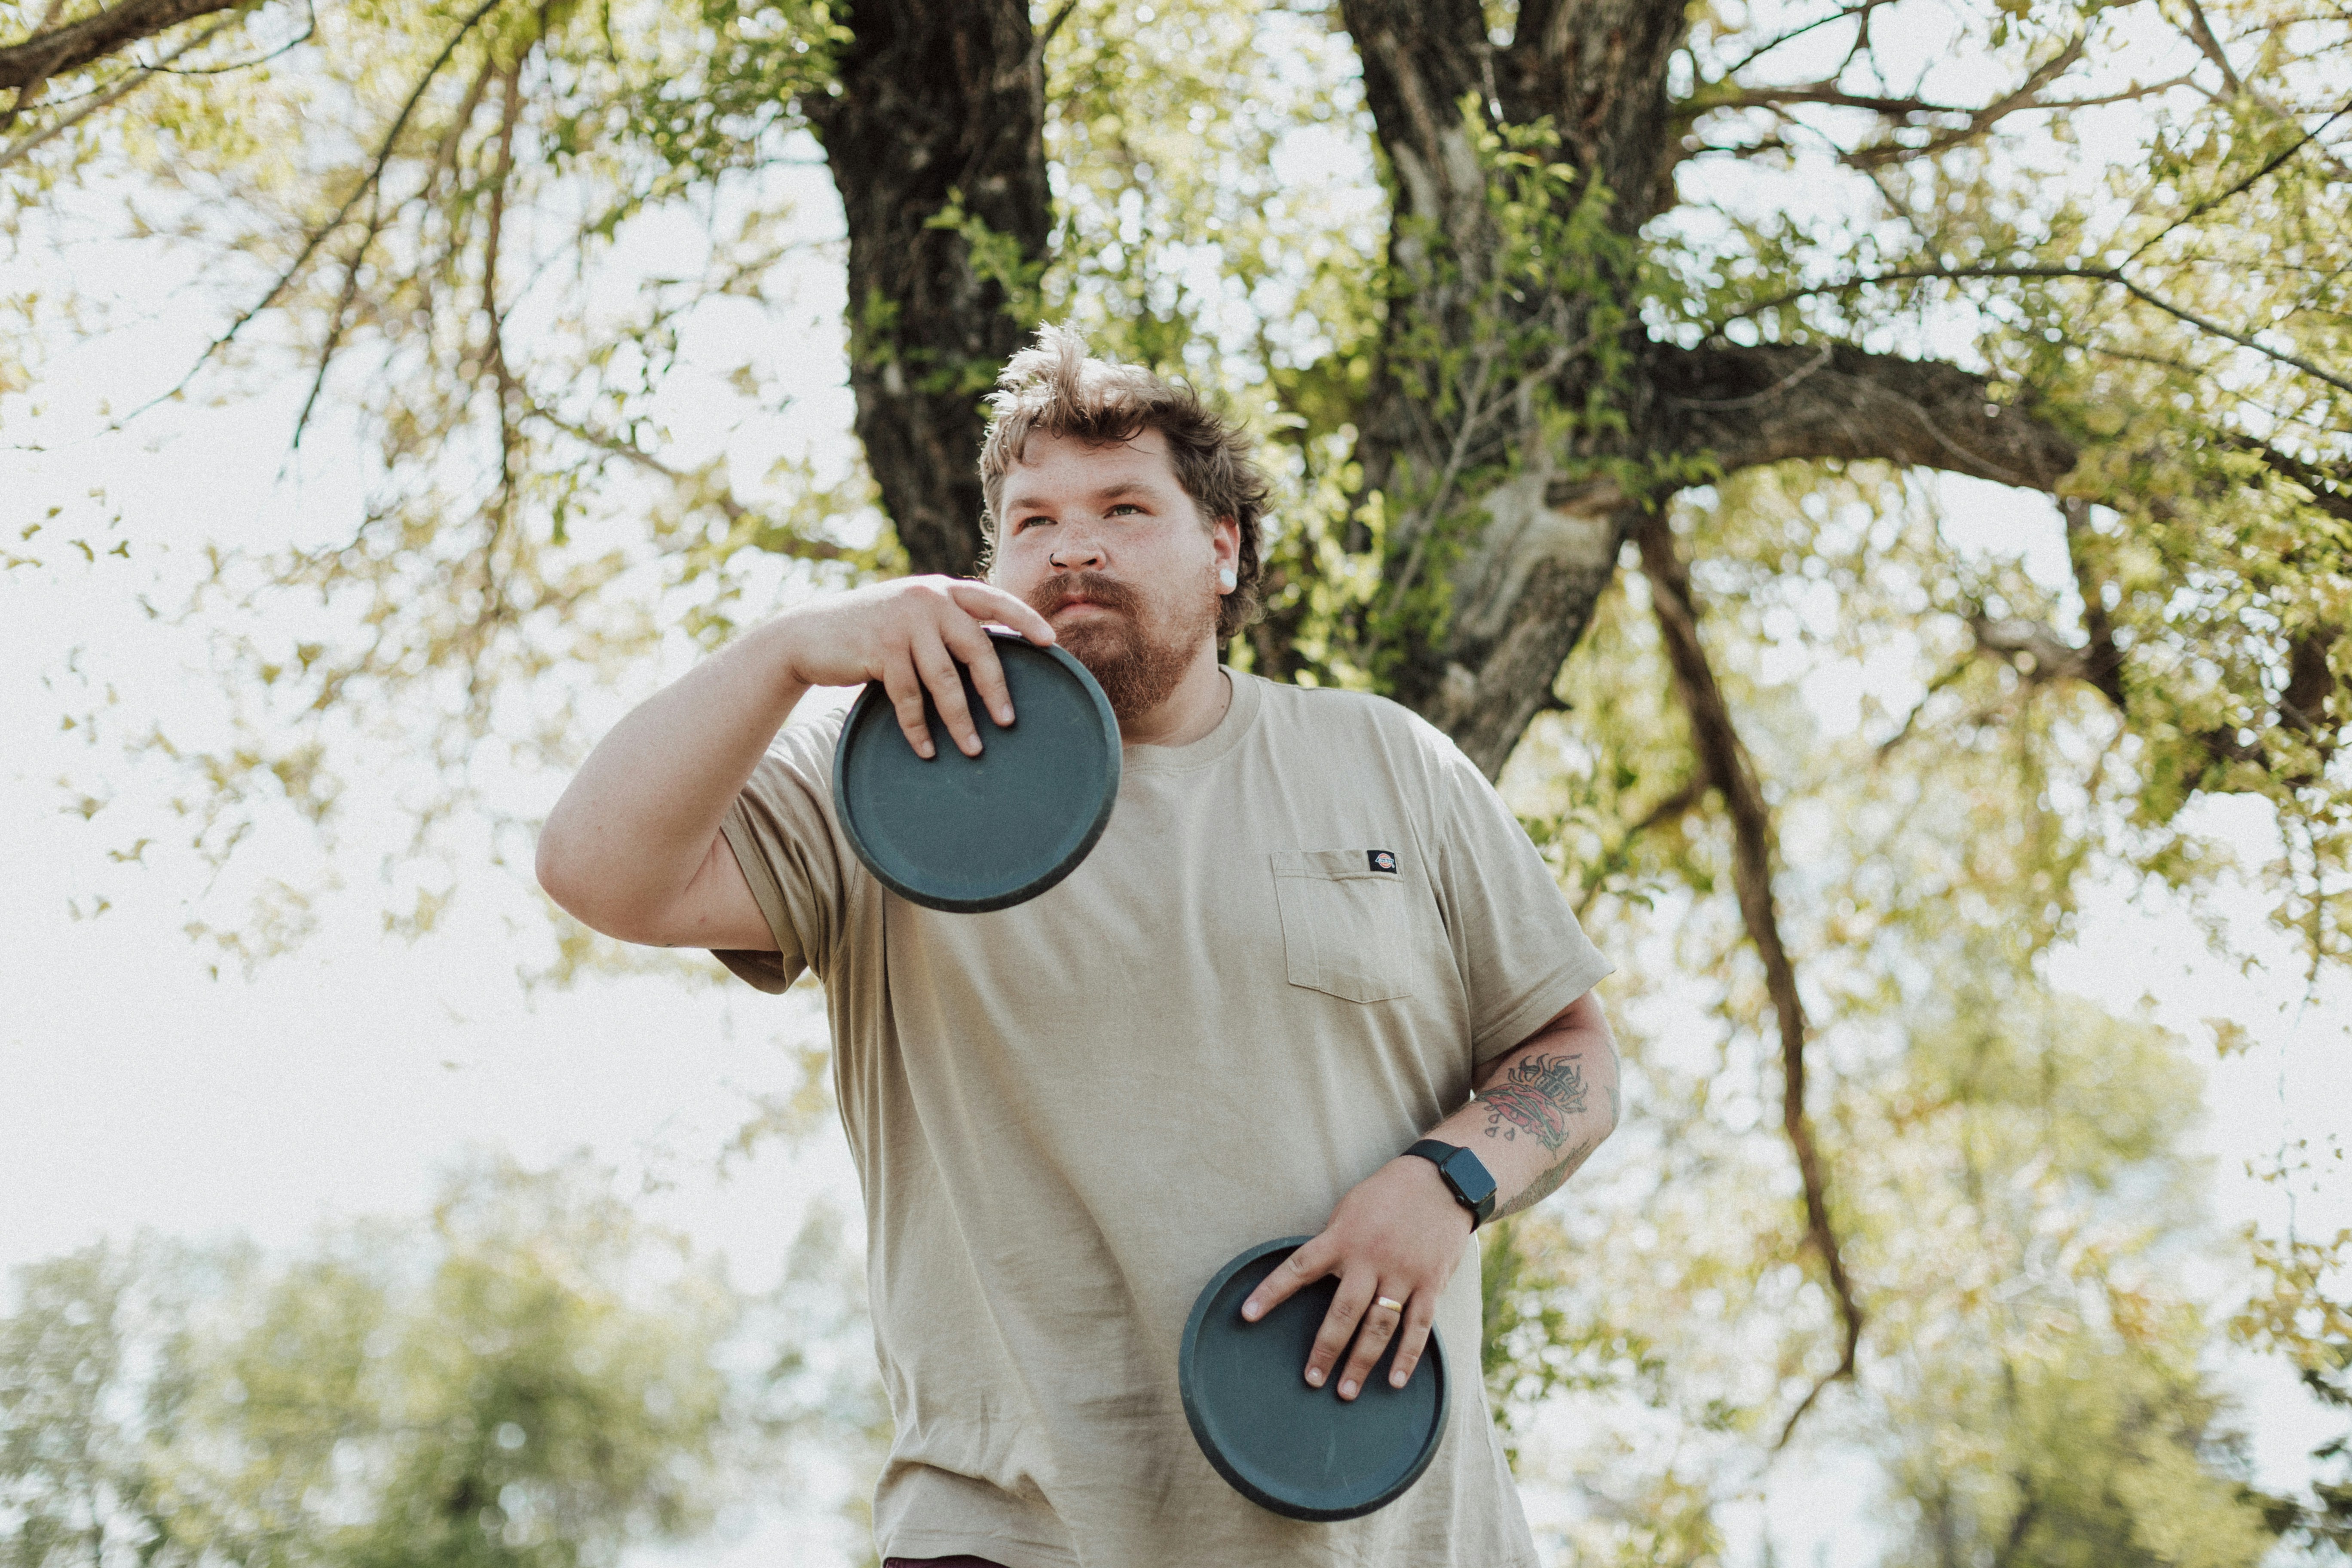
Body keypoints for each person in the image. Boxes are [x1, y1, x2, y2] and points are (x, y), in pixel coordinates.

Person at [536, 325, 1620, 1568]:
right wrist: (788, 651)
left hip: (1397, 1532)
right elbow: (595, 868)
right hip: (1009, 1535)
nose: (1076, 547)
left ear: (1224, 549)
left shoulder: (1390, 765)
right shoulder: (885, 784)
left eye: (1123, 507)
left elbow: (1571, 1053)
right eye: (1033, 520)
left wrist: (1449, 1181)